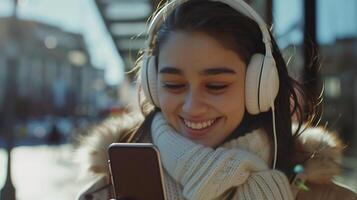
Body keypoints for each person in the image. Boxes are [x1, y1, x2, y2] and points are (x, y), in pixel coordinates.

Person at [76, 0, 357, 199]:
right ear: (152, 86)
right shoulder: (106, 192)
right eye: (173, 85)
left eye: (216, 85)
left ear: (260, 86)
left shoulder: (327, 196)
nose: (192, 106)